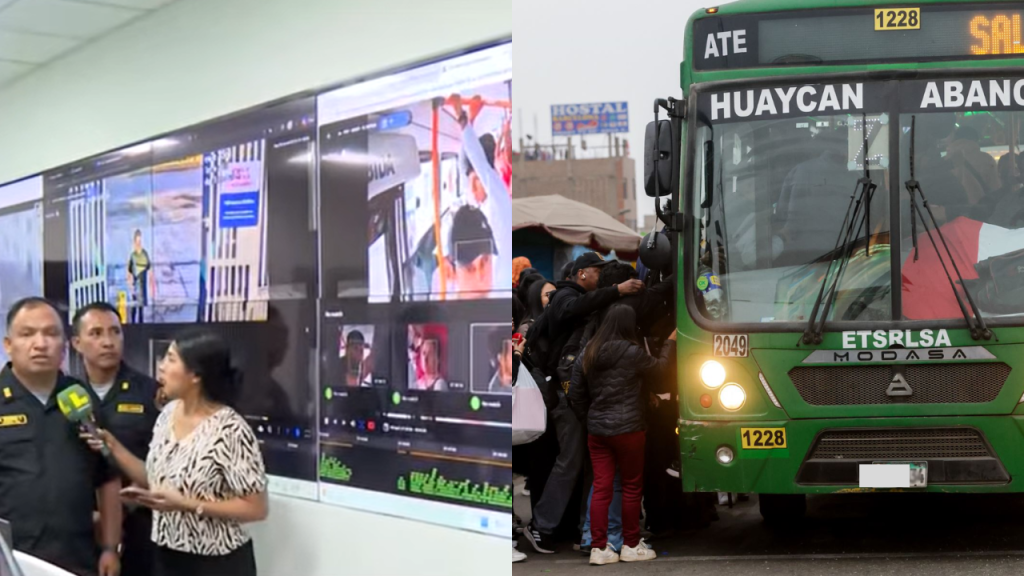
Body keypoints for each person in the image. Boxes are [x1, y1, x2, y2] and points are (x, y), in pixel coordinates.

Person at [81, 329, 268, 576]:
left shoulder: (230, 429)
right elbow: (155, 478)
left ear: (195, 375)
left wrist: (188, 505)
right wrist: (113, 446)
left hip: (216, 563)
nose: (161, 367)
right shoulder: (167, 414)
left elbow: (256, 508)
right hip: (166, 556)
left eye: (170, 359)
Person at [522, 252, 643, 554]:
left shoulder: (585, 302)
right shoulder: (566, 294)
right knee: (572, 461)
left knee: (590, 467)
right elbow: (569, 311)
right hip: (565, 397)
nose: (600, 276)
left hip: (572, 397)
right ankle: (542, 526)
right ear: (581, 274)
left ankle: (587, 532)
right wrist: (617, 290)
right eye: (596, 270)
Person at [0, 297, 122, 576]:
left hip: (77, 557)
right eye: (27, 334)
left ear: (65, 347)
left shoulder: (80, 397)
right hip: (11, 556)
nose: (40, 344)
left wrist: (110, 547)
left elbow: (107, 478)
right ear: (9, 345)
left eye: (51, 333)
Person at [569, 305, 676, 565]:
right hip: (629, 429)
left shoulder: (588, 352)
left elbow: (575, 392)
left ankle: (598, 548)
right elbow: (661, 372)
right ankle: (630, 544)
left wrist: (591, 418)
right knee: (631, 487)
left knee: (602, 486)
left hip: (598, 432)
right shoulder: (632, 352)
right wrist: (670, 343)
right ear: (629, 326)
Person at [71, 301, 161, 576]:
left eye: (115, 332)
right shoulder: (67, 395)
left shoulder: (150, 393)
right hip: (81, 528)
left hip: (141, 526)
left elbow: (167, 462)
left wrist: (126, 504)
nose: (108, 342)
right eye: (96, 334)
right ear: (76, 342)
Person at [450, 94, 512, 290]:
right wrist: (469, 119)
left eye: (477, 181)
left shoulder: (498, 200)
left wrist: (463, 116)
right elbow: (465, 164)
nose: (473, 189)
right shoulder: (476, 203)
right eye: (472, 182)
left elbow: (476, 162)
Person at [127, 230, 155, 325]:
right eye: (137, 241)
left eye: (140, 241)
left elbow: (150, 270)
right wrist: (130, 285)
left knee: (141, 311)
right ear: (134, 242)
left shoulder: (145, 254)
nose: (138, 244)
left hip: (143, 286)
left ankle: (141, 328)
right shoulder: (133, 256)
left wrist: (152, 287)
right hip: (135, 287)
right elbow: (129, 272)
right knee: (134, 311)